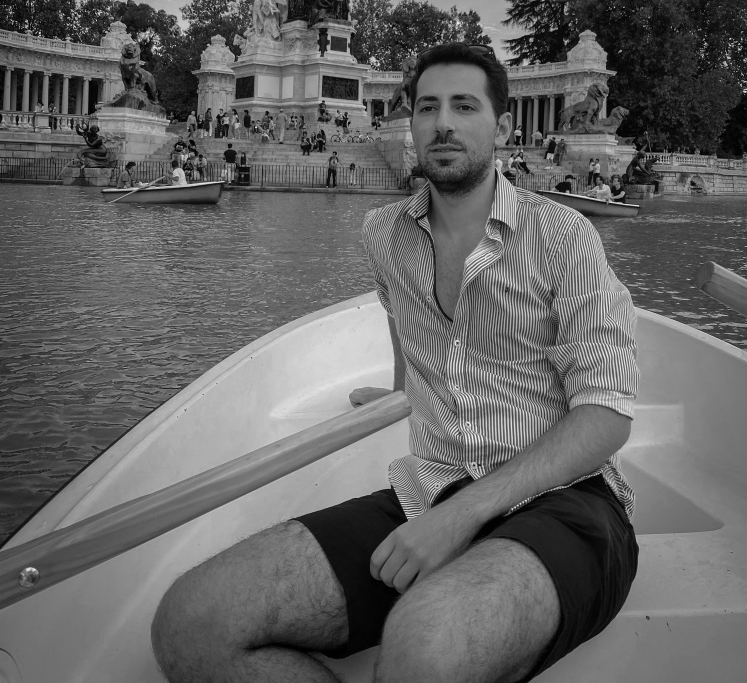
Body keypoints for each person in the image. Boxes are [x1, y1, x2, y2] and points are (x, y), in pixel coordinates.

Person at [152, 41, 638, 683]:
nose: (443, 123)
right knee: (191, 621)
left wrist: (461, 516)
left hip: (568, 503)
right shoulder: (384, 233)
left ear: (503, 127)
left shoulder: (565, 237)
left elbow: (606, 416)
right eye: (428, 107)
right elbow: (406, 326)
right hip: (431, 491)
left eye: (464, 106)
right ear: (410, 123)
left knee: (423, 644)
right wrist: (399, 392)